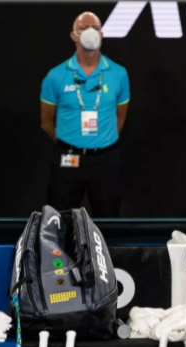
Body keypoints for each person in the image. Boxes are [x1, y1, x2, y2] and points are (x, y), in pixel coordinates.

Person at [40, 12, 130, 217]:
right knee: (58, 221)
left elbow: (120, 116)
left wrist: (101, 142)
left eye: (95, 28)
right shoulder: (55, 75)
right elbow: (46, 122)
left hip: (106, 160)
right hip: (68, 159)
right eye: (83, 28)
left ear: (102, 34)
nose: (90, 32)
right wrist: (70, 143)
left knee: (108, 221)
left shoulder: (119, 74)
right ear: (73, 35)